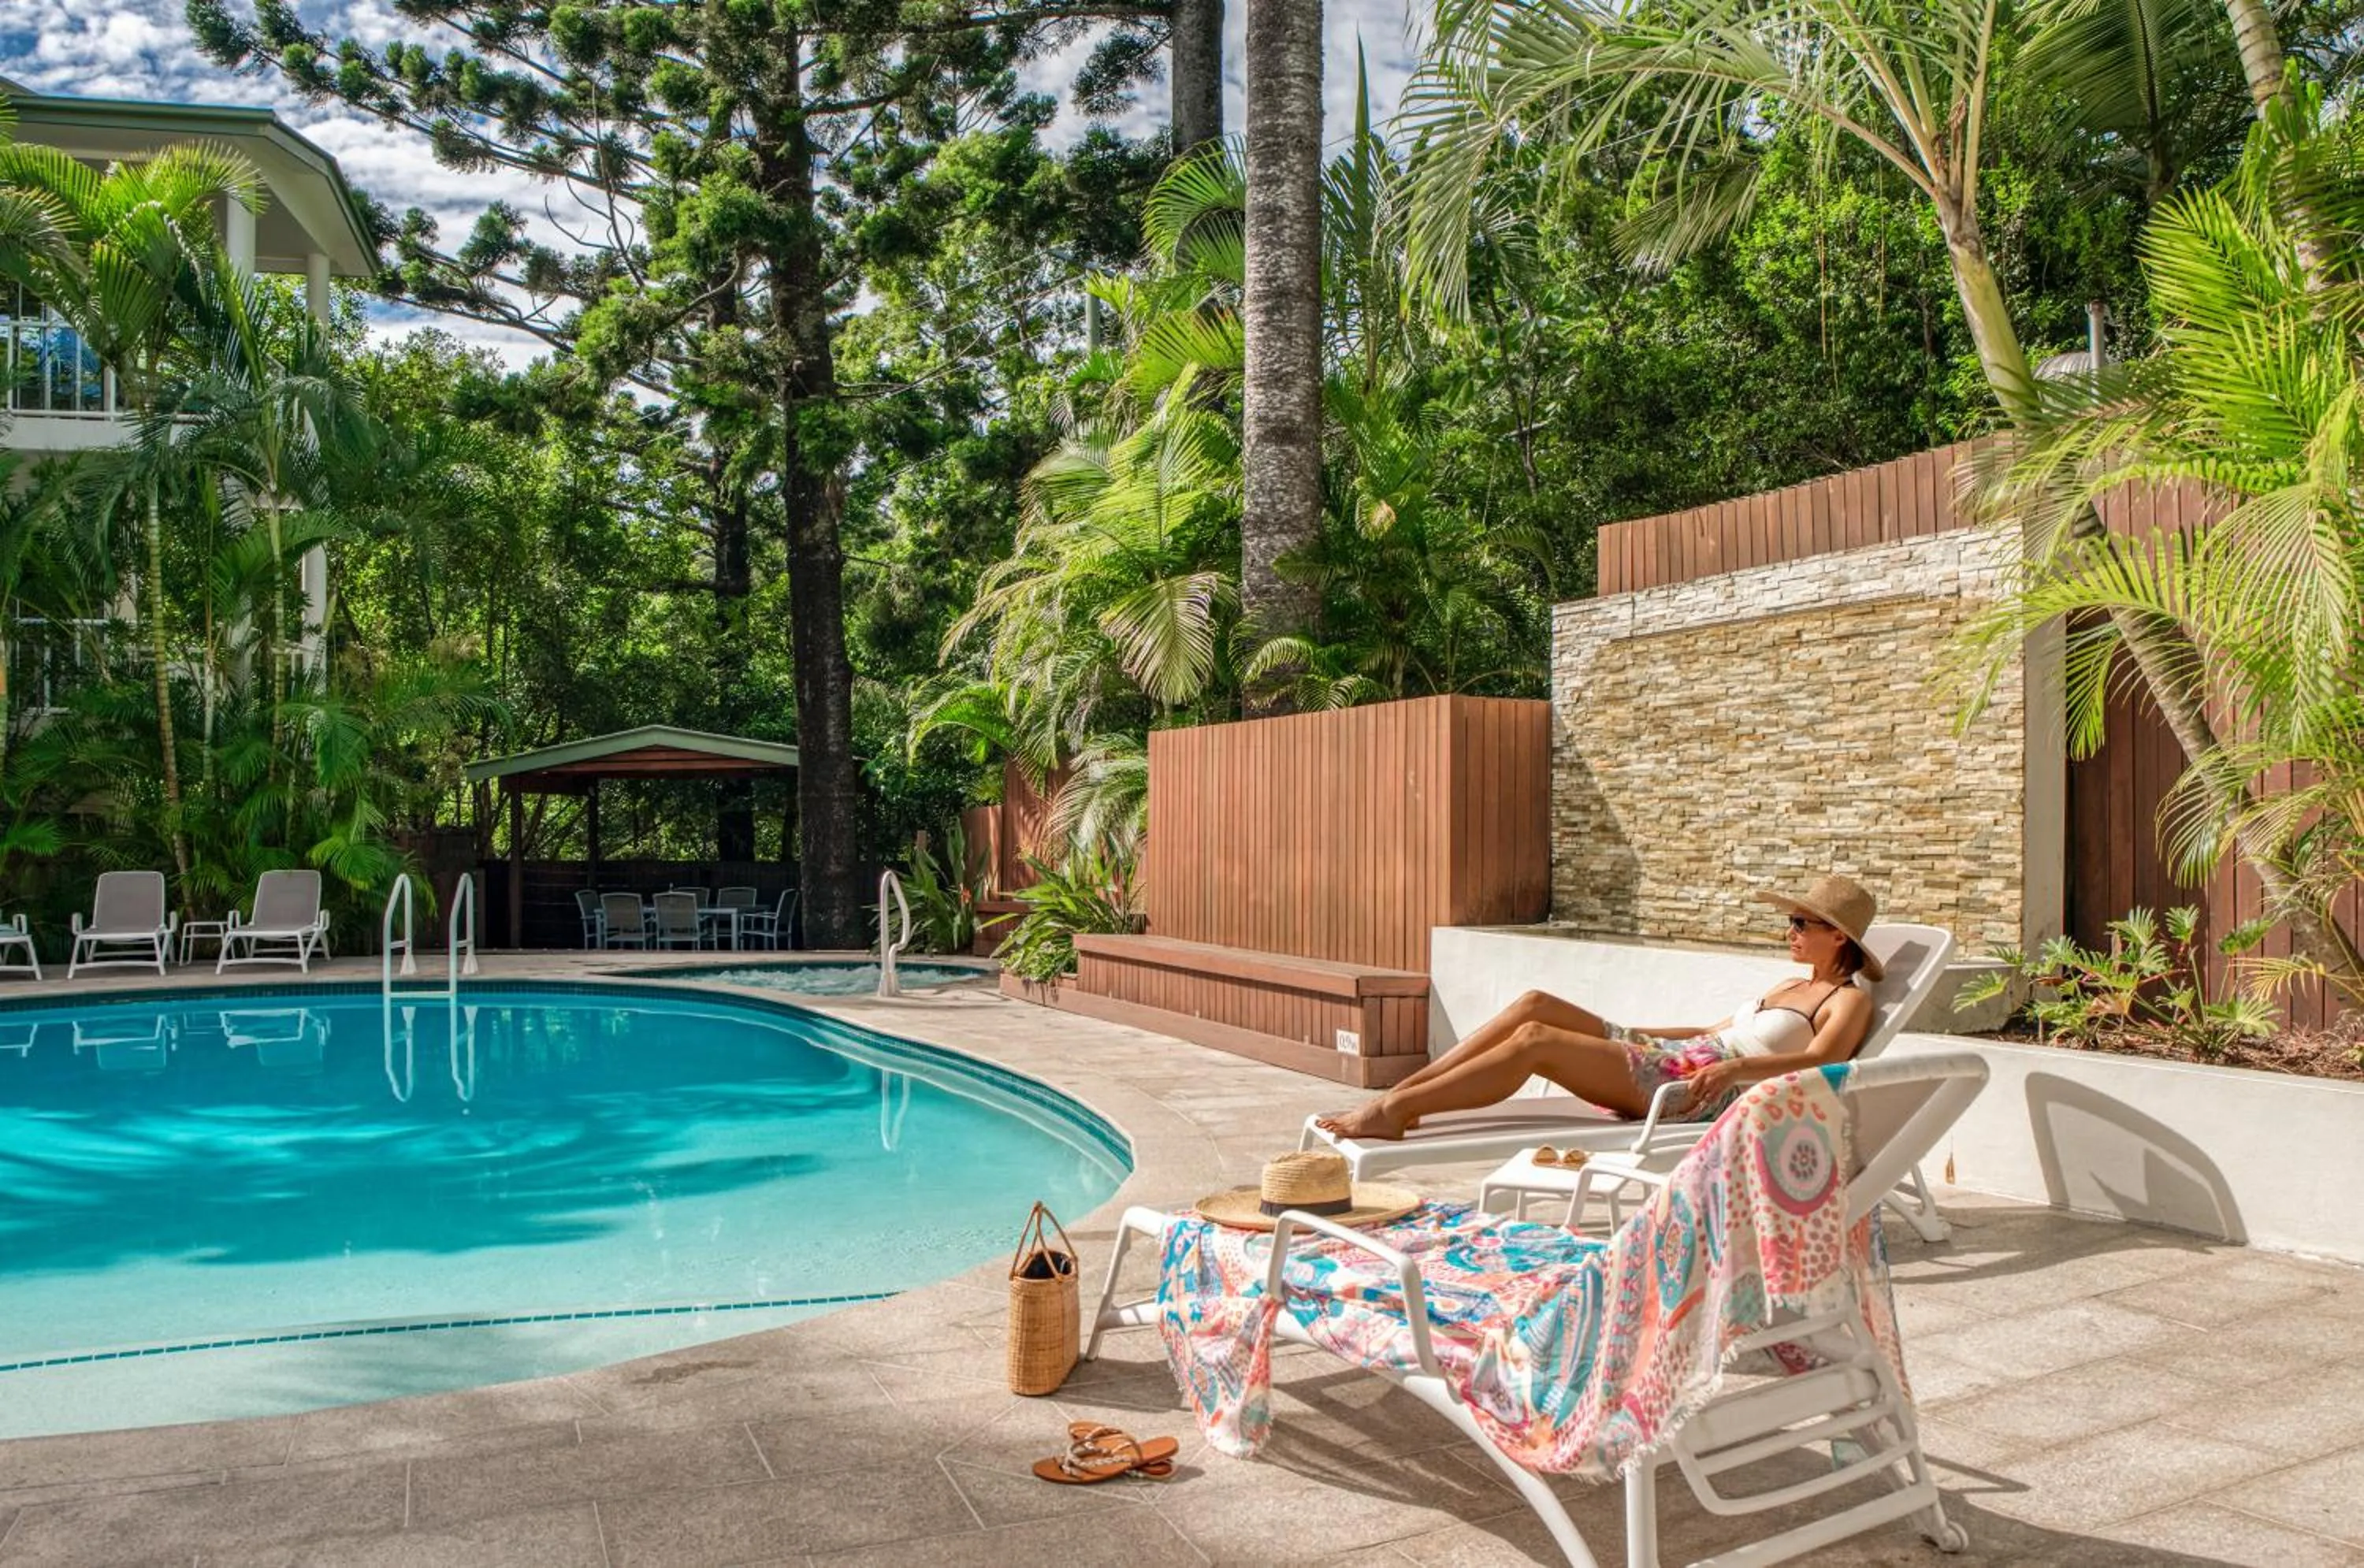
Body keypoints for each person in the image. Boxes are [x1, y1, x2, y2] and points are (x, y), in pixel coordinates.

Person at [1314, 875, 1885, 1143]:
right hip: (1683, 1057)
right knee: (1536, 1004)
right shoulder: (1787, 985)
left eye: (1801, 923)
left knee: (1536, 1040)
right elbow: (1710, 1031)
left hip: (1700, 1090)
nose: (1790, 931)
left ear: (1837, 937)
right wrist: (1630, 1034)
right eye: (1791, 921)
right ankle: (1399, 1095)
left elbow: (1820, 1063)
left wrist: (1735, 1069)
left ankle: (1399, 1111)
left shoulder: (1847, 1002)